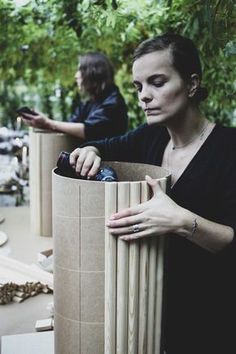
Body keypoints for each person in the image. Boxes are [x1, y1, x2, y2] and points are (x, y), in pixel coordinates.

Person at [69, 34, 236, 353]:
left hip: (213, 319)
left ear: (191, 84)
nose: (144, 96)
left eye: (157, 82)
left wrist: (183, 221)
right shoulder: (149, 138)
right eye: (138, 86)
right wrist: (89, 150)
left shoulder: (229, 148)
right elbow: (102, 146)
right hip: (150, 314)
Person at [20, 52, 128, 141]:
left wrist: (48, 123)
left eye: (80, 70)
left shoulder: (113, 102)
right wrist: (42, 123)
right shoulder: (90, 103)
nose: (76, 76)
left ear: (93, 73)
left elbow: (89, 131)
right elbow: (70, 125)